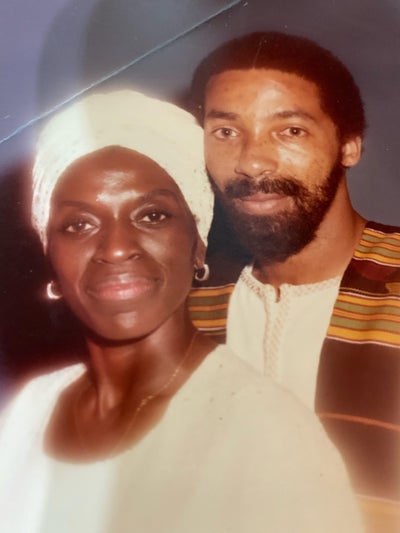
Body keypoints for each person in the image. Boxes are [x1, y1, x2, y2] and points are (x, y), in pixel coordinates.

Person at [0, 89, 363, 532]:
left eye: (152, 216)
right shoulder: (30, 410)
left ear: (198, 244)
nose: (116, 248)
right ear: (50, 257)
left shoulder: (266, 434)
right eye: (79, 224)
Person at [187, 31, 400, 533]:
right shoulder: (185, 302)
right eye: (225, 131)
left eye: (290, 130)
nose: (252, 161)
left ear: (349, 144)